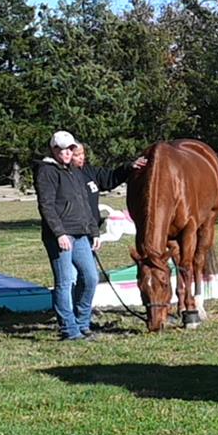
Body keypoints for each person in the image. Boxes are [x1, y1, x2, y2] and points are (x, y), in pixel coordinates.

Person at [36, 130, 145, 340]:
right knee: (65, 282)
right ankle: (69, 329)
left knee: (90, 277)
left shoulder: (76, 172)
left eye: (70, 149)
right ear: (53, 150)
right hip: (62, 236)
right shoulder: (46, 172)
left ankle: (82, 322)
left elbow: (86, 204)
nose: (67, 153)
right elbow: (46, 206)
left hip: (82, 234)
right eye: (62, 149)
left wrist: (94, 232)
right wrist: (59, 234)